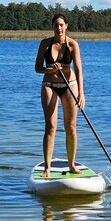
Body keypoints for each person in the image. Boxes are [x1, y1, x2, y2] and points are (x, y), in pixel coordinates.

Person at [35, 13, 86, 178]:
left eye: (61, 25)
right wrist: (49, 69)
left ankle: (71, 164)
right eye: (56, 25)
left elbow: (78, 69)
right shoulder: (45, 44)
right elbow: (37, 68)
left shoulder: (73, 45)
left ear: (66, 26)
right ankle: (47, 167)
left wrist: (81, 93)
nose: (59, 28)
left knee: (70, 128)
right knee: (50, 127)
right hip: (49, 85)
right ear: (53, 27)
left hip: (69, 86)